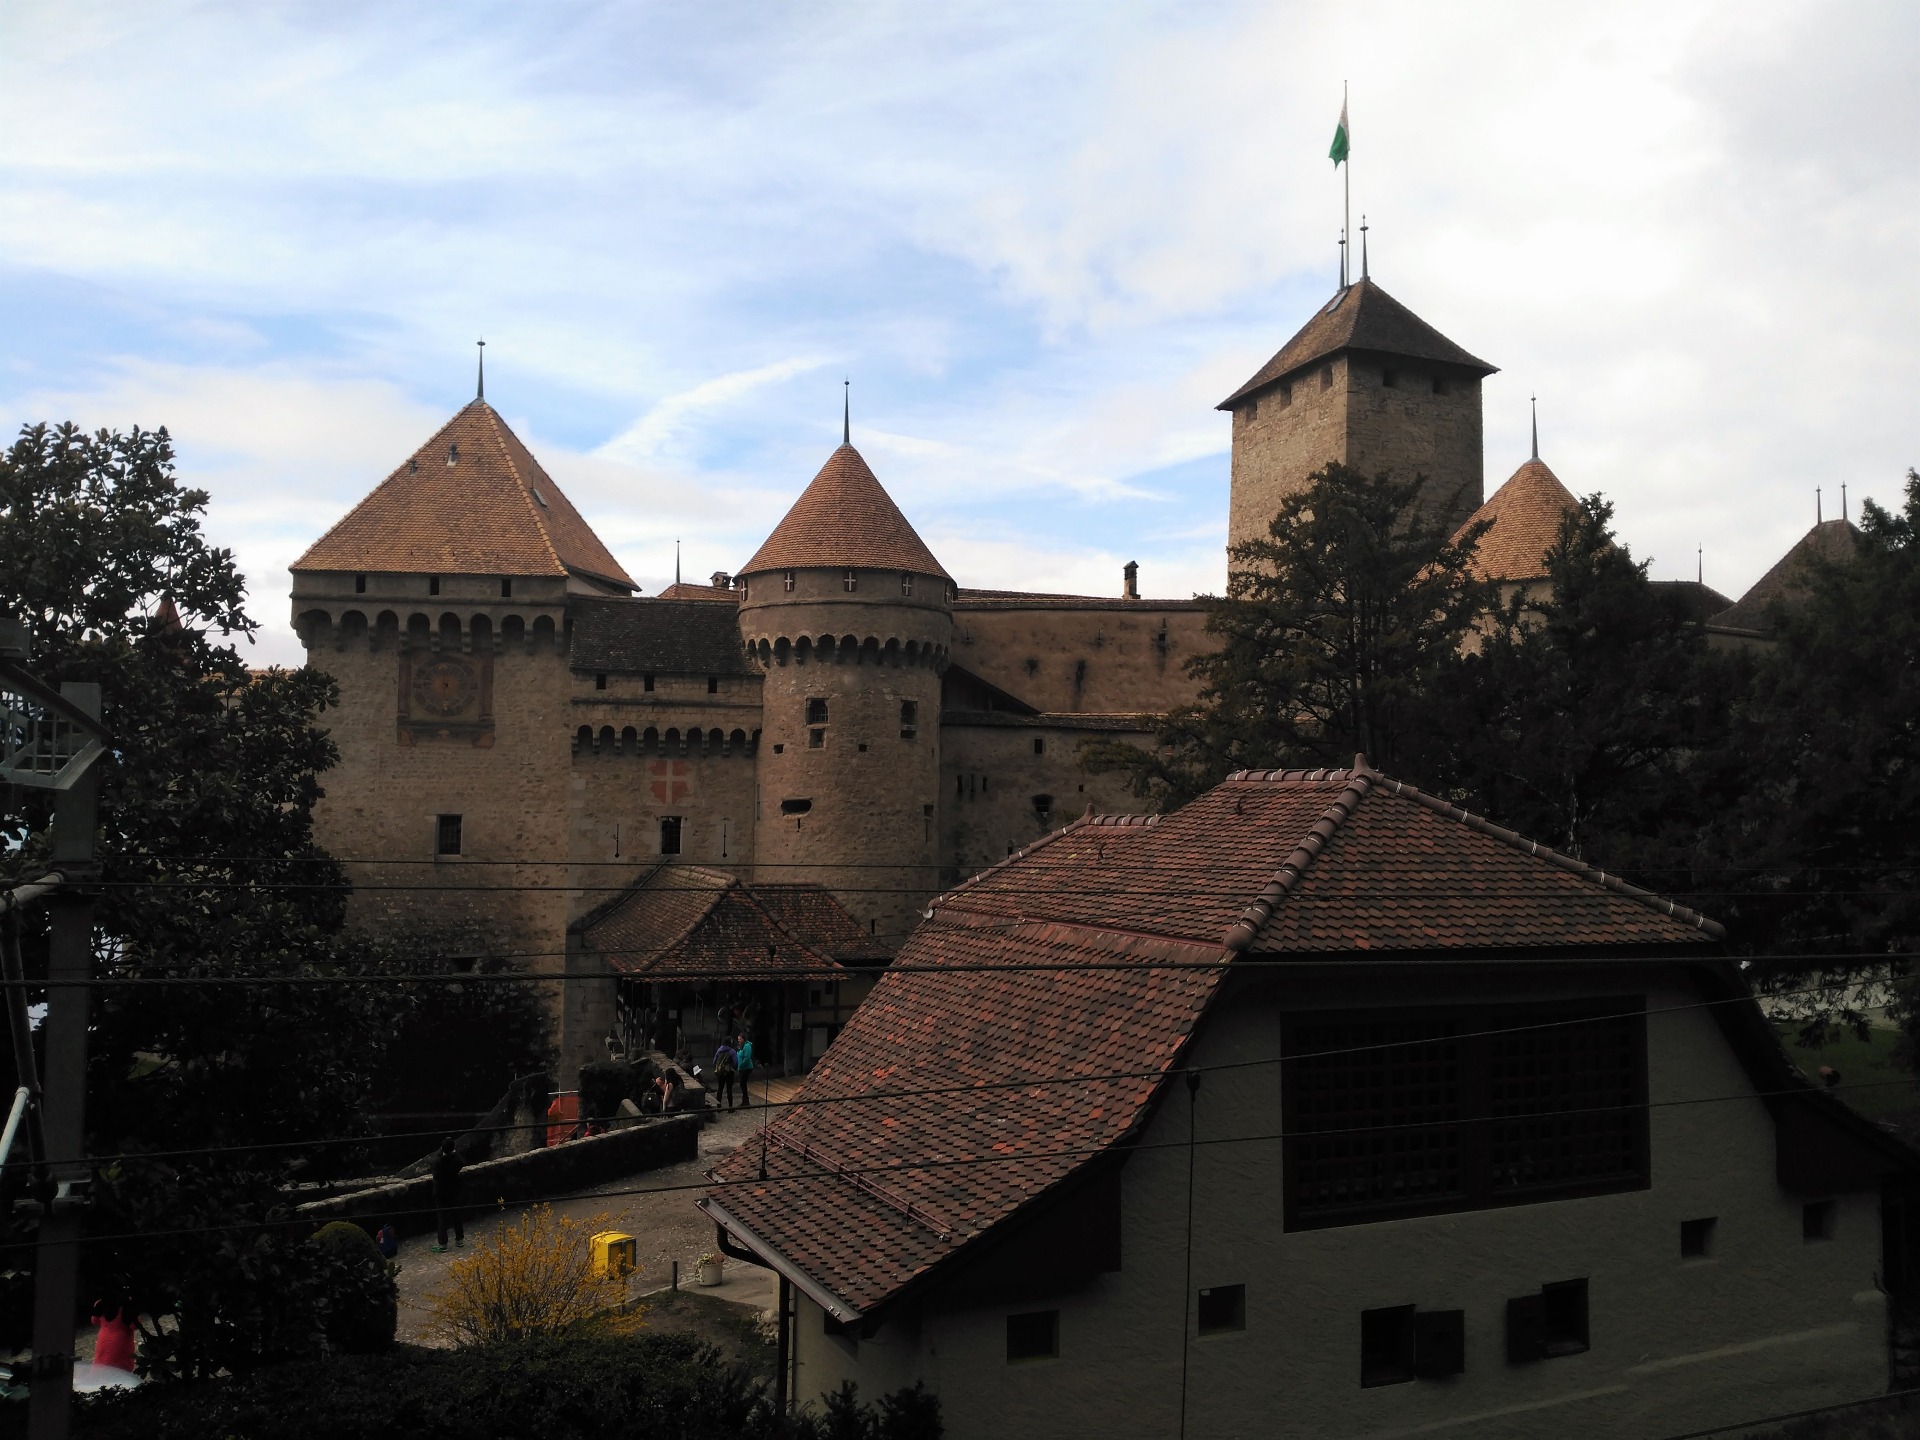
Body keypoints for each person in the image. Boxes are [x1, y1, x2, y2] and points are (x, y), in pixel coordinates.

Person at [430, 1137, 466, 1253]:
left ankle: (442, 1244)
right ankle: (459, 1239)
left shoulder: (437, 1162)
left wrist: (443, 1151)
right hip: (453, 1191)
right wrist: (453, 1153)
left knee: (442, 1218)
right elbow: (461, 1160)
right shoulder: (456, 1161)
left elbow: (433, 1159)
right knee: (456, 1215)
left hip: (440, 1193)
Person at [712, 1039, 737, 1111]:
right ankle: (730, 1107)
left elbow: (714, 1062)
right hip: (729, 1072)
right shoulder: (732, 1051)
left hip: (720, 1073)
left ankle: (719, 1107)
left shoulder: (719, 1050)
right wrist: (733, 1068)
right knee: (729, 1089)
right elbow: (735, 1062)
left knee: (720, 1089)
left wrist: (718, 1068)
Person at [735, 1032, 755, 1108]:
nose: (739, 1040)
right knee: (742, 1084)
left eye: (740, 1039)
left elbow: (747, 1057)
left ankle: (746, 1100)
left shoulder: (747, 1046)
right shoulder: (741, 1046)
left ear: (743, 1039)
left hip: (746, 1068)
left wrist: (741, 1064)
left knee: (742, 1083)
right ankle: (745, 1100)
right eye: (738, 1039)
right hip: (741, 1068)